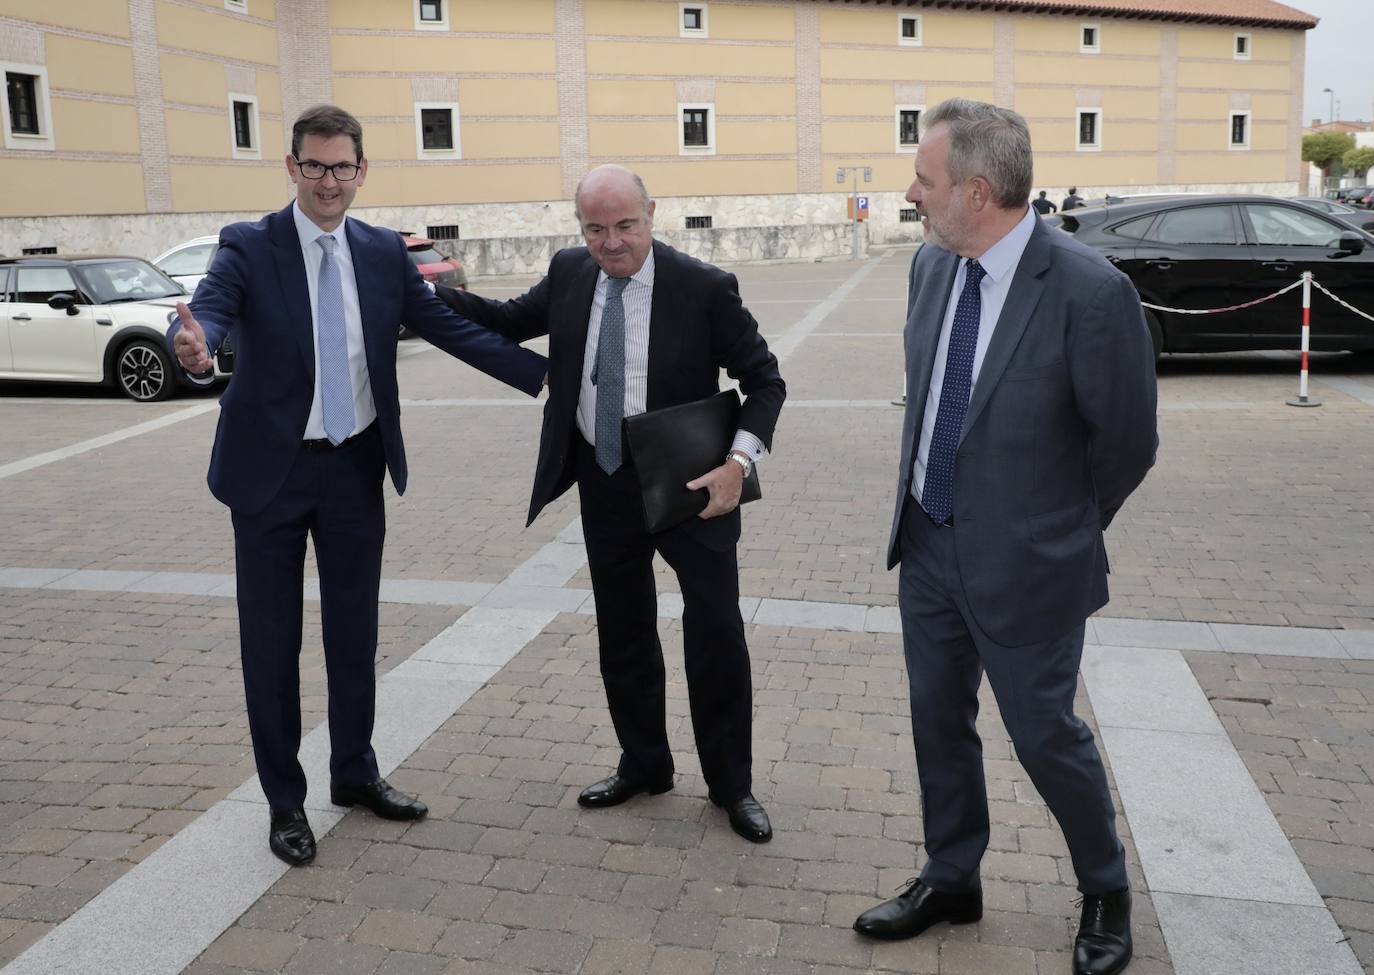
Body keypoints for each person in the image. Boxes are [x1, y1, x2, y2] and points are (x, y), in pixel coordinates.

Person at [167, 105, 548, 867]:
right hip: (268, 475)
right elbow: (209, 313)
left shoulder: (380, 252)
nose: (329, 180)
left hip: (353, 465)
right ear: (292, 167)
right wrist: (198, 348)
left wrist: (553, 381)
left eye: (342, 166)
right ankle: (284, 801)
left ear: (361, 170)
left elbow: (451, 329)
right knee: (270, 645)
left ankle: (354, 772)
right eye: (314, 165)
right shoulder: (249, 244)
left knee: (354, 632)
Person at [851, 99, 1156, 975]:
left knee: (1044, 734)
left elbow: (1128, 443)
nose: (911, 192)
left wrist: (1057, 531)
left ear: (976, 191)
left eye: (926, 178)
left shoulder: (1091, 290)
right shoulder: (930, 267)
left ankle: (1105, 888)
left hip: (1029, 565)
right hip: (929, 546)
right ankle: (952, 875)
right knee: (937, 721)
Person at [434, 164, 786, 843]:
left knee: (715, 632)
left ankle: (730, 784)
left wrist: (738, 464)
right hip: (607, 480)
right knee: (623, 630)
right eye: (595, 229)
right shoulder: (571, 273)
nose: (611, 243)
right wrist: (421, 294)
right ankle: (644, 763)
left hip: (693, 487)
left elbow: (764, 381)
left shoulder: (704, 288)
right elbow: (506, 322)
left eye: (625, 225)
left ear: (652, 214)